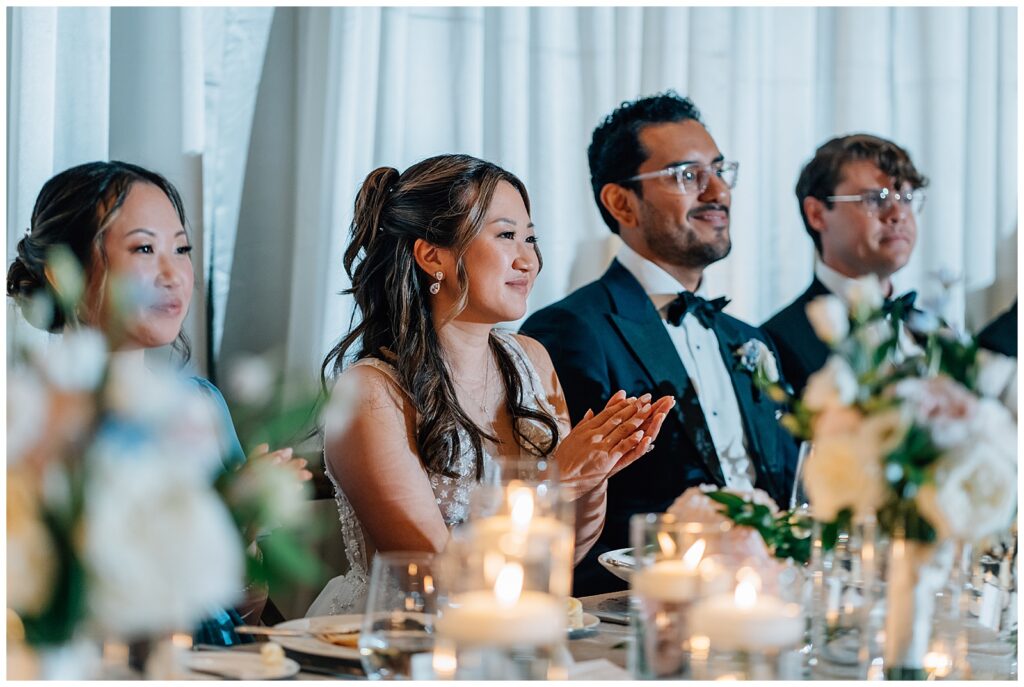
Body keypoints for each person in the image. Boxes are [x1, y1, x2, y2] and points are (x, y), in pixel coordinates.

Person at [308, 154, 674, 616]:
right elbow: (436, 581)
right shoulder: (370, 393)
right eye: (505, 236)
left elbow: (560, 559)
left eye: (531, 238)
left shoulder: (531, 361)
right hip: (396, 641)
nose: (528, 260)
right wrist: (556, 479)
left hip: (511, 627)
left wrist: (595, 470)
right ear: (431, 255)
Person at [6, 160, 310, 644]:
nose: (174, 274)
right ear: (64, 274)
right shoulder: (25, 420)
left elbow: (240, 615)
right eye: (144, 248)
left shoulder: (200, 409)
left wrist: (244, 528)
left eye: (182, 249)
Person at [520, 92, 799, 595]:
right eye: (687, 175)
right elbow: (562, 512)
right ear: (621, 201)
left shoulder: (750, 341)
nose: (717, 192)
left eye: (719, 170)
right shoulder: (569, 331)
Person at [762, 134, 929, 396]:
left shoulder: (932, 329)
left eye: (906, 198)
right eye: (876, 199)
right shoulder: (777, 341)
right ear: (817, 214)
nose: (898, 214)